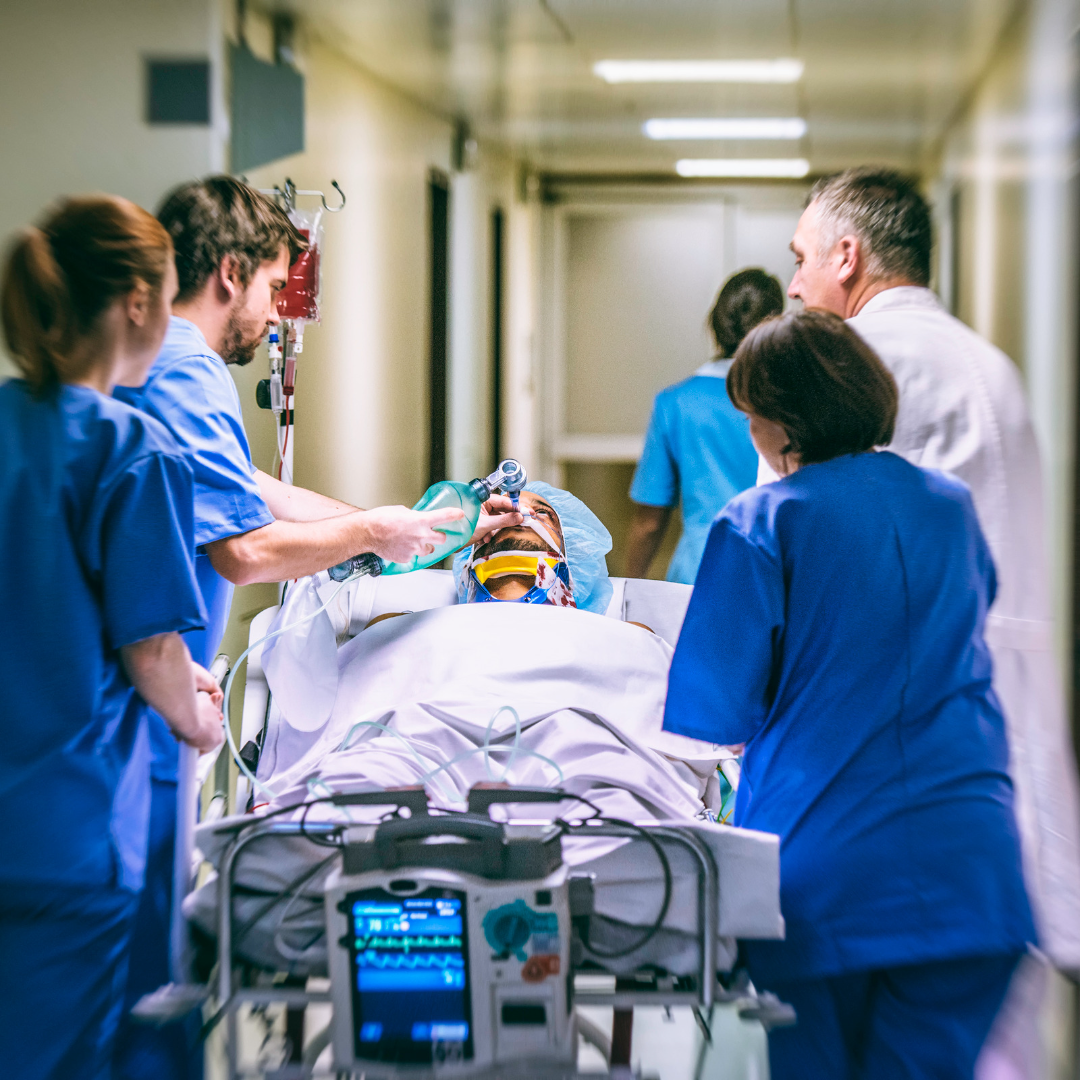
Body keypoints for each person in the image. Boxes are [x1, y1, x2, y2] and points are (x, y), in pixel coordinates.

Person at [111, 176, 521, 1080]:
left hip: (150, 694)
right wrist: (376, 535)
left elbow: (249, 490)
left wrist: (411, 534)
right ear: (231, 272)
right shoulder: (187, 367)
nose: (273, 313)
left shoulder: (164, 369)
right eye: (270, 288)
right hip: (143, 709)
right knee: (134, 965)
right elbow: (248, 549)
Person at [663, 310, 1036, 1079]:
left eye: (751, 415)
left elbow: (718, 710)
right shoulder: (949, 507)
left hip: (824, 881)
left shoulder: (761, 522)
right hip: (972, 872)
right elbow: (968, 617)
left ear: (779, 423)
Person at [784, 168, 1080, 1068]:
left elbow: (794, 574)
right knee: (998, 1038)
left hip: (902, 774)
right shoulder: (992, 368)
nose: (794, 284)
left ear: (848, 256)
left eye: (800, 259)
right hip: (1001, 760)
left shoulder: (854, 373)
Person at [0, 196, 224, 1080]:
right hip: (69, 837)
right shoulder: (136, 451)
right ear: (139, 303)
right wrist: (197, 717)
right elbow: (151, 650)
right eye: (170, 298)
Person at [626, 268, 781, 583]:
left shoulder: (676, 403)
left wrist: (630, 586)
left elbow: (650, 523)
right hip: (773, 573)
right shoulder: (792, 401)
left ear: (715, 323)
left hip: (697, 575)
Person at [453, 482, 613, 611]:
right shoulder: (434, 629)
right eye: (501, 512)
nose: (521, 514)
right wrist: (437, 537)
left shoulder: (621, 636)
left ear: (570, 550)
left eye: (542, 512)